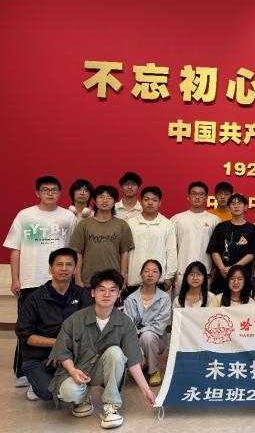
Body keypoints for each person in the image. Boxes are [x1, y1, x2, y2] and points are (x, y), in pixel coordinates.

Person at [49, 269, 155, 429]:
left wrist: (146, 390)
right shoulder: (75, 320)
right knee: (69, 392)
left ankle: (110, 405)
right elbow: (63, 351)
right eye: (101, 289)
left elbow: (133, 361)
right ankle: (82, 399)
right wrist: (72, 371)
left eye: (112, 290)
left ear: (119, 294)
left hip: (101, 370)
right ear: (93, 293)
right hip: (77, 370)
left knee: (116, 353)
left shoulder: (125, 323)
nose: (107, 294)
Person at [3, 175, 76, 387]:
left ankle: (54, 366)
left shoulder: (68, 217)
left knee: (59, 326)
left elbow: (73, 250)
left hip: (60, 281)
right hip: (31, 280)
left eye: (54, 190)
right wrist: (15, 278)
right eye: (45, 189)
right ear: (37, 192)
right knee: (27, 327)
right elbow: (15, 249)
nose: (50, 193)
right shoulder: (25, 215)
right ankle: (23, 371)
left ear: (60, 193)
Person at [15, 248, 93, 401]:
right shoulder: (34, 298)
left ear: (75, 269)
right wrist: (57, 344)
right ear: (50, 269)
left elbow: (88, 328)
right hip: (39, 356)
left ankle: (63, 377)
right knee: (47, 393)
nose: (64, 269)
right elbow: (25, 335)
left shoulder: (83, 295)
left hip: (72, 353)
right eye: (59, 264)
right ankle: (39, 381)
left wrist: (64, 352)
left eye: (69, 264)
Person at [69, 185, 134, 287]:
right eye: (101, 197)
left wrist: (123, 277)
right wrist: (77, 278)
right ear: (95, 201)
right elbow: (78, 253)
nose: (105, 200)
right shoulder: (83, 225)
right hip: (88, 281)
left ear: (115, 202)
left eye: (109, 198)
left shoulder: (122, 225)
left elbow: (124, 252)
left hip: (114, 281)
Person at [123, 260, 171, 387]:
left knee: (147, 336)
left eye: (154, 271)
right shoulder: (130, 299)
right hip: (134, 340)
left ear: (159, 276)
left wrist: (140, 331)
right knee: (134, 369)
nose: (150, 274)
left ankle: (153, 371)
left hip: (156, 339)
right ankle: (141, 363)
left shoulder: (164, 298)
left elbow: (160, 325)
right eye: (147, 271)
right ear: (141, 274)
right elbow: (128, 325)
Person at [171, 181, 220, 297]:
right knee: (180, 304)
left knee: (204, 305)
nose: (197, 197)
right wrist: (171, 272)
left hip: (206, 272)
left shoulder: (214, 220)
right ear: (188, 197)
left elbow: (217, 248)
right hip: (181, 272)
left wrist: (215, 268)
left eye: (201, 194)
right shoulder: (176, 219)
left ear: (206, 198)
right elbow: (171, 248)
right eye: (194, 194)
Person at [126, 186, 177, 294]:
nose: (150, 203)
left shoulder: (167, 224)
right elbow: (124, 251)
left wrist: (169, 276)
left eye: (154, 200)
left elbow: (171, 250)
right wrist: (124, 275)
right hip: (133, 279)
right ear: (141, 202)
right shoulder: (130, 223)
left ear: (160, 203)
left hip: (158, 280)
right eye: (146, 199)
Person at [207, 193, 255, 295]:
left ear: (245, 207)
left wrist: (233, 269)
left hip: (242, 276)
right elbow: (214, 250)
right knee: (218, 302)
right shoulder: (220, 227)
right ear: (229, 207)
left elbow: (252, 253)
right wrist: (222, 269)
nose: (236, 206)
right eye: (233, 204)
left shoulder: (252, 229)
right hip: (222, 275)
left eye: (239, 203)